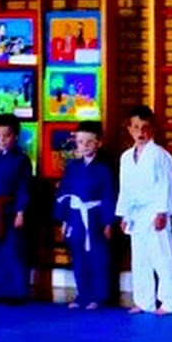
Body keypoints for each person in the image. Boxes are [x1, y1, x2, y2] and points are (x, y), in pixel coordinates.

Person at [116, 105, 172, 316]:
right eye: (136, 127)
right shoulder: (126, 157)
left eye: (145, 127)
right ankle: (144, 301)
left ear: (153, 129)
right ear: (129, 129)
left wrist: (162, 212)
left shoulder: (160, 155)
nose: (141, 132)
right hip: (136, 214)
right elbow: (125, 188)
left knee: (162, 258)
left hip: (155, 212)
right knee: (140, 259)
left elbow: (166, 185)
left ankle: (171, 302)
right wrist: (124, 214)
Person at [54, 121, 117, 310]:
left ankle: (99, 296)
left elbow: (109, 195)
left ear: (99, 143)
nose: (84, 146)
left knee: (98, 257)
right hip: (75, 216)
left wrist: (108, 222)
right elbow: (64, 193)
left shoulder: (104, 169)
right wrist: (64, 219)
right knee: (78, 256)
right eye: (80, 142)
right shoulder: (72, 167)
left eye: (89, 142)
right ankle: (83, 294)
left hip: (95, 216)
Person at [0, 114, 33, 303]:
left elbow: (23, 187)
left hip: (10, 210)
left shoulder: (21, 160)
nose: (2, 140)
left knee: (14, 250)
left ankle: (17, 292)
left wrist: (21, 211)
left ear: (15, 136)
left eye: (6, 136)